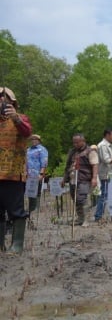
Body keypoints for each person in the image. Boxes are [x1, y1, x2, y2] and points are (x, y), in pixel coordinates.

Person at [0, 87, 32, 253]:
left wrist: (16, 119)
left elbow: (27, 132)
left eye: (4, 100)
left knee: (16, 211)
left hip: (13, 174)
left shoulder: (21, 118)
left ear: (12, 103)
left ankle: (17, 244)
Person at [62, 133, 99, 227]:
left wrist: (94, 178)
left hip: (84, 179)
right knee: (76, 199)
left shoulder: (90, 151)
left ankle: (86, 219)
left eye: (77, 142)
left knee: (82, 198)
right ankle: (80, 218)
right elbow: (67, 166)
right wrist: (64, 179)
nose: (75, 144)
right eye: (74, 142)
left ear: (83, 141)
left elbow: (95, 165)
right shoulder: (72, 152)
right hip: (73, 179)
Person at [26, 134, 48, 214]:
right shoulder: (28, 150)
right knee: (29, 191)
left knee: (36, 192)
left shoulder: (42, 149)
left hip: (37, 173)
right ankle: (31, 208)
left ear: (39, 141)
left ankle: (35, 209)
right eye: (32, 139)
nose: (33, 141)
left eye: (35, 139)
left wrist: (41, 174)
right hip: (28, 174)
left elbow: (44, 162)